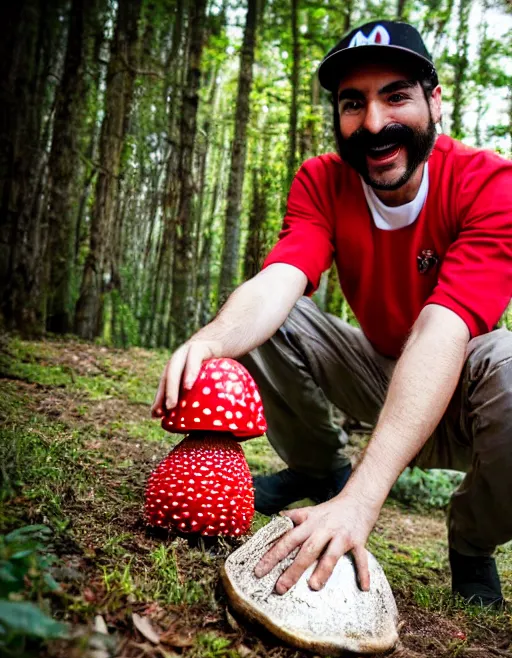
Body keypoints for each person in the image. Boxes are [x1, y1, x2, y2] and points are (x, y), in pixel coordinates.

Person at [152, 20, 512, 608]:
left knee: (510, 362)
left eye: (396, 95)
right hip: (375, 374)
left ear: (434, 100)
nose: (374, 123)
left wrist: (364, 500)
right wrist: (213, 342)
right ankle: (319, 470)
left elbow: (444, 324)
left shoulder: (489, 183)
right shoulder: (323, 180)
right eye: (353, 103)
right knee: (280, 314)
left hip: (468, 400)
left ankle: (472, 542)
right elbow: (280, 279)